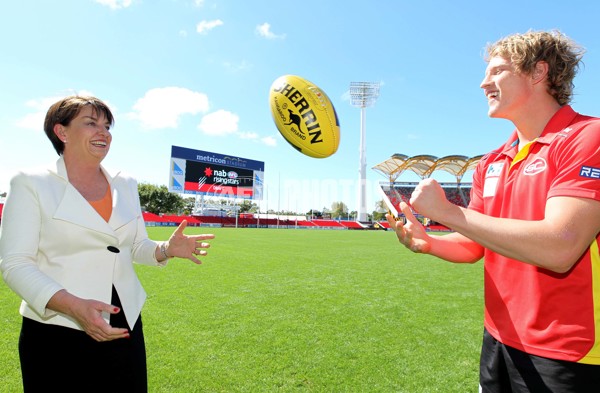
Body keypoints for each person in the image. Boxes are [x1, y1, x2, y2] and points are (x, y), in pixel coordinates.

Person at [386, 30, 600, 392]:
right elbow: (475, 244)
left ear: (538, 72)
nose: (484, 83)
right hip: (498, 339)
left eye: (498, 71)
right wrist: (429, 241)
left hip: (567, 351)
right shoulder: (491, 161)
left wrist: (449, 213)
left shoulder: (587, 138)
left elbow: (560, 248)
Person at [0, 95, 216, 392]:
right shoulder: (29, 183)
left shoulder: (125, 183)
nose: (103, 132)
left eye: (107, 125)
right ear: (61, 132)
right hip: (57, 328)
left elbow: (134, 245)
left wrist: (165, 249)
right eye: (91, 123)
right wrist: (73, 306)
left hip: (123, 323)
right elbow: (15, 264)